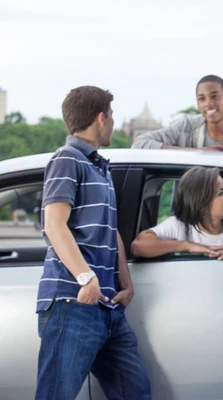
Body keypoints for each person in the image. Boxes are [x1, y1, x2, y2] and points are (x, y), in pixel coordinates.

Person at [35, 86, 151, 400]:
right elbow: (54, 225)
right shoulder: (66, 159)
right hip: (72, 302)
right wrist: (86, 278)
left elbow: (111, 232)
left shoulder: (100, 167)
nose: (113, 123)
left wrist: (126, 283)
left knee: (135, 393)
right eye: (111, 116)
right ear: (101, 118)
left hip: (107, 306)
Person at [130, 166, 223, 261]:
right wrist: (187, 246)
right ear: (201, 203)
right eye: (221, 193)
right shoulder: (179, 225)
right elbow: (138, 246)